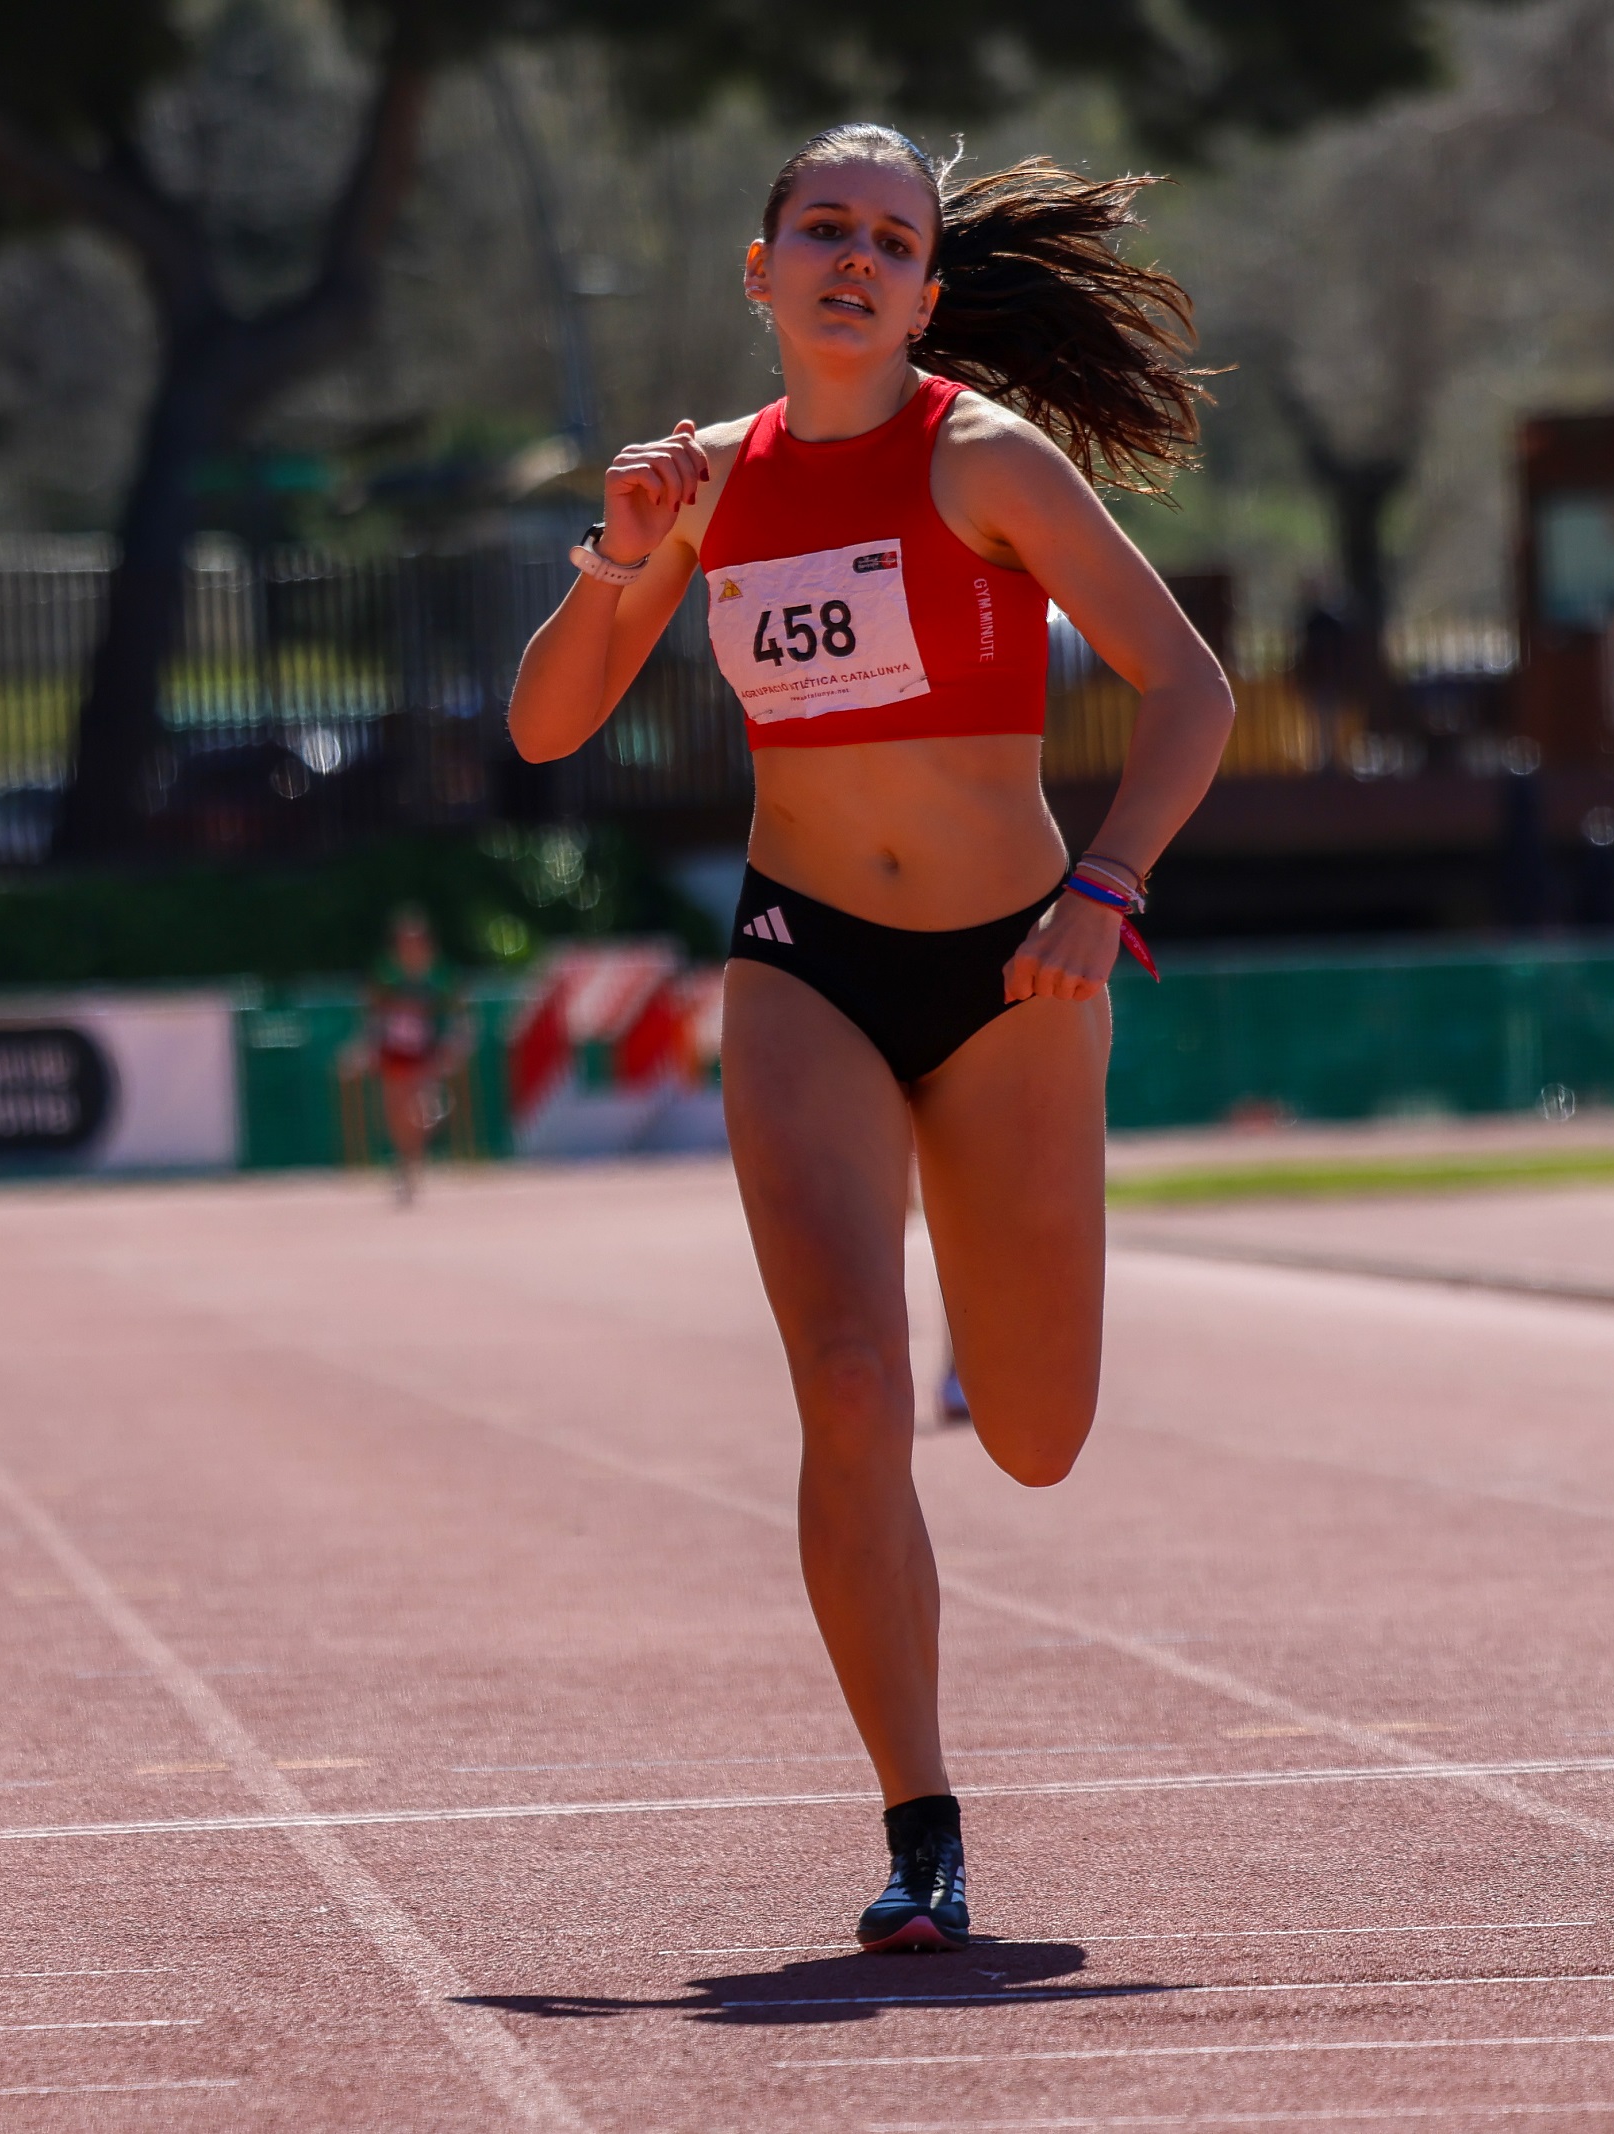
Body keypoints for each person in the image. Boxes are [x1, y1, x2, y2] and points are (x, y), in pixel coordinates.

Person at [504, 126, 1232, 1954]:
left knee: (1037, 1434)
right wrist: (614, 554)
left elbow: (1191, 687)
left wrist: (1109, 886)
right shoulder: (707, 485)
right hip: (802, 960)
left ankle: (1004, 1382)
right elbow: (545, 727)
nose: (855, 258)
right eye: (822, 229)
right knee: (846, 1382)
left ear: (924, 292)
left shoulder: (986, 459)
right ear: (759, 272)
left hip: (1016, 976)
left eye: (892, 241)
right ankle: (921, 1826)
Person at [354, 906, 467, 1206]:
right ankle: (405, 1161)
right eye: (405, 940)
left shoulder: (440, 974)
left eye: (415, 940)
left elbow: (458, 1011)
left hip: (427, 1052)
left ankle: (412, 1158)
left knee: (417, 1107)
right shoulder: (387, 972)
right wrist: (367, 1045)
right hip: (394, 1052)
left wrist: (456, 1042)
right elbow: (373, 1009)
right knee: (395, 1110)